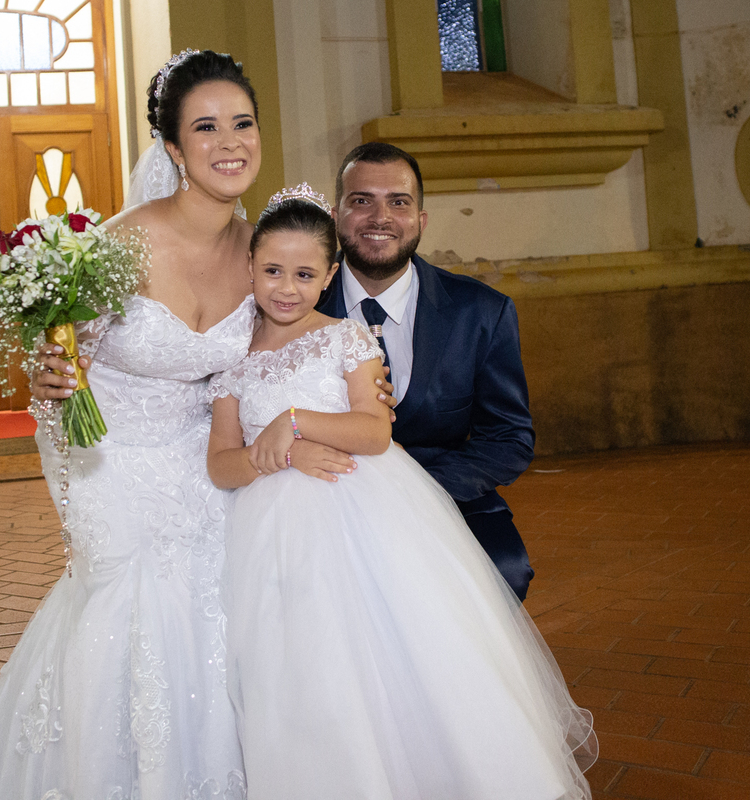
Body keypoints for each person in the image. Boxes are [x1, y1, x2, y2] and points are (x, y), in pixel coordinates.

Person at [0, 50, 289, 800]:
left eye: (243, 123)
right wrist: (51, 396)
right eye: (206, 127)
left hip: (204, 463)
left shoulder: (262, 249)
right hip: (111, 459)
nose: (230, 142)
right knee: (122, 608)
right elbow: (58, 385)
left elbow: (281, 350)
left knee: (214, 614)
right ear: (173, 149)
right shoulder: (116, 247)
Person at [207, 187, 596, 799]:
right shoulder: (233, 361)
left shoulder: (345, 338)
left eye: (305, 274)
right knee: (297, 662)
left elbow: (374, 431)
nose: (286, 287)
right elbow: (222, 465)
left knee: (388, 647)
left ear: (329, 276)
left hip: (357, 510)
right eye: (272, 270)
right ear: (249, 267)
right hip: (267, 533)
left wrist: (296, 422)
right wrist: (283, 454)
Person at [318, 142, 538, 600]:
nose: (380, 218)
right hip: (326, 497)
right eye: (362, 201)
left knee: (506, 569)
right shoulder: (296, 307)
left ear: (420, 220)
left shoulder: (481, 312)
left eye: (398, 202)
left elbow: (509, 437)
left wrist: (422, 488)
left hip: (448, 494)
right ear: (336, 215)